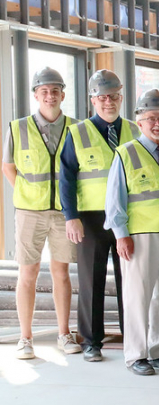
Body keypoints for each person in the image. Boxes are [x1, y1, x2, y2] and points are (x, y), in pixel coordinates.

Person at [104, 89, 159, 376]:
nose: (158, 123)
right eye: (152, 118)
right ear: (139, 122)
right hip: (139, 236)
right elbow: (115, 199)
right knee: (138, 296)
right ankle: (135, 355)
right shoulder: (126, 153)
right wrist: (121, 234)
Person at [60, 69, 140, 362]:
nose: (109, 102)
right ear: (93, 100)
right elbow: (66, 178)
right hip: (90, 219)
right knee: (91, 280)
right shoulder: (77, 133)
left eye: (114, 96)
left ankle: (132, 336)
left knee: (129, 280)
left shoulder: (134, 129)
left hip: (129, 217)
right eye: (103, 97)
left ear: (121, 97)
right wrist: (71, 216)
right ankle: (92, 342)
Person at [3, 67, 80, 359]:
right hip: (29, 213)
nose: (50, 95)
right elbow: (8, 167)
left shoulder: (76, 128)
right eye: (44, 90)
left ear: (63, 94)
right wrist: (28, 195)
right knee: (28, 273)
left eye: (55, 90)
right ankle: (25, 338)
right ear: (36, 95)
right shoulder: (17, 127)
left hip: (64, 213)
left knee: (61, 273)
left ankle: (64, 333)